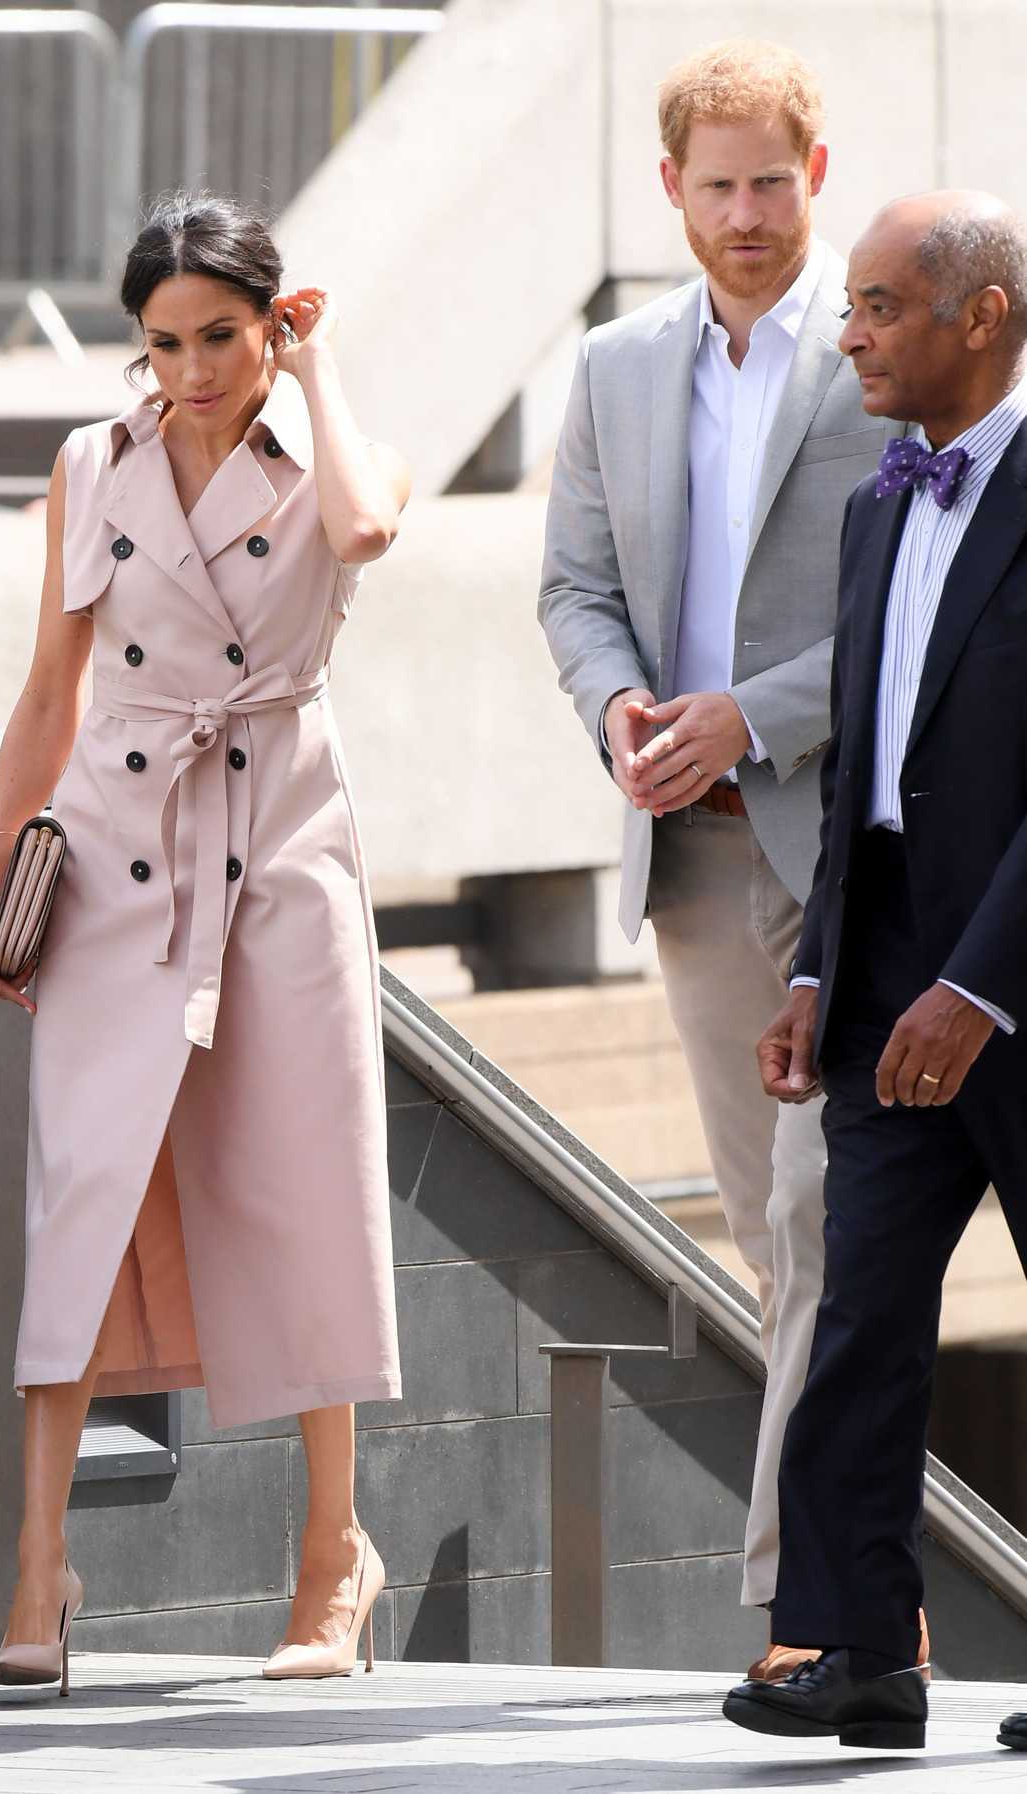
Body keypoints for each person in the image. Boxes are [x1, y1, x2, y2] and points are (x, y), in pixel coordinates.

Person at [0, 193, 409, 1694]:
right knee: (81, 1182)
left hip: (280, 840)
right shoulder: (93, 464)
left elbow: (362, 528)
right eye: (163, 345)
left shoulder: (324, 451)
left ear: (273, 325)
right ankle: (39, 1562)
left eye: (221, 336)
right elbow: (50, 685)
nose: (191, 372)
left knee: (305, 1176)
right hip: (116, 851)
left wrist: (323, 371)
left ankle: (330, 1555)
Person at [538, 40, 900, 1672]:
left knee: (826, 1224)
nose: (743, 211)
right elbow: (572, 587)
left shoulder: (880, 349)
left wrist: (745, 713)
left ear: (813, 180)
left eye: (770, 181)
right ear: (670, 187)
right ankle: (852, 1579)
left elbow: (923, 615)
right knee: (769, 1233)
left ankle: (800, 1597)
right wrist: (621, 703)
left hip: (849, 846)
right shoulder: (614, 363)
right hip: (687, 853)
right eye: (715, 181)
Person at [725, 191, 1027, 1753]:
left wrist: (977, 987)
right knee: (856, 1315)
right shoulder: (872, 507)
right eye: (848, 310)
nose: (845, 336)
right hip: (883, 961)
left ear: (979, 317)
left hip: (1011, 975)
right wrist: (817, 971)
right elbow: (860, 770)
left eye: (877, 307)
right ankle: (859, 1652)